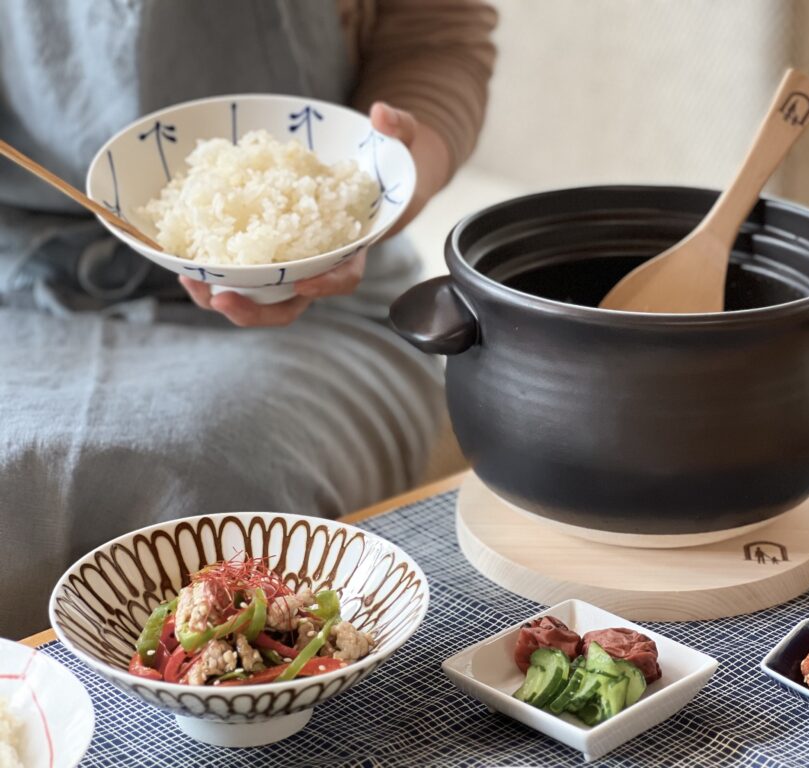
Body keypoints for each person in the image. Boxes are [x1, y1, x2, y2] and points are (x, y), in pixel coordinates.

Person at [0, 0, 497, 639]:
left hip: (327, 294)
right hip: (20, 273)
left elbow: (436, 33)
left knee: (217, 479)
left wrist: (391, 175)